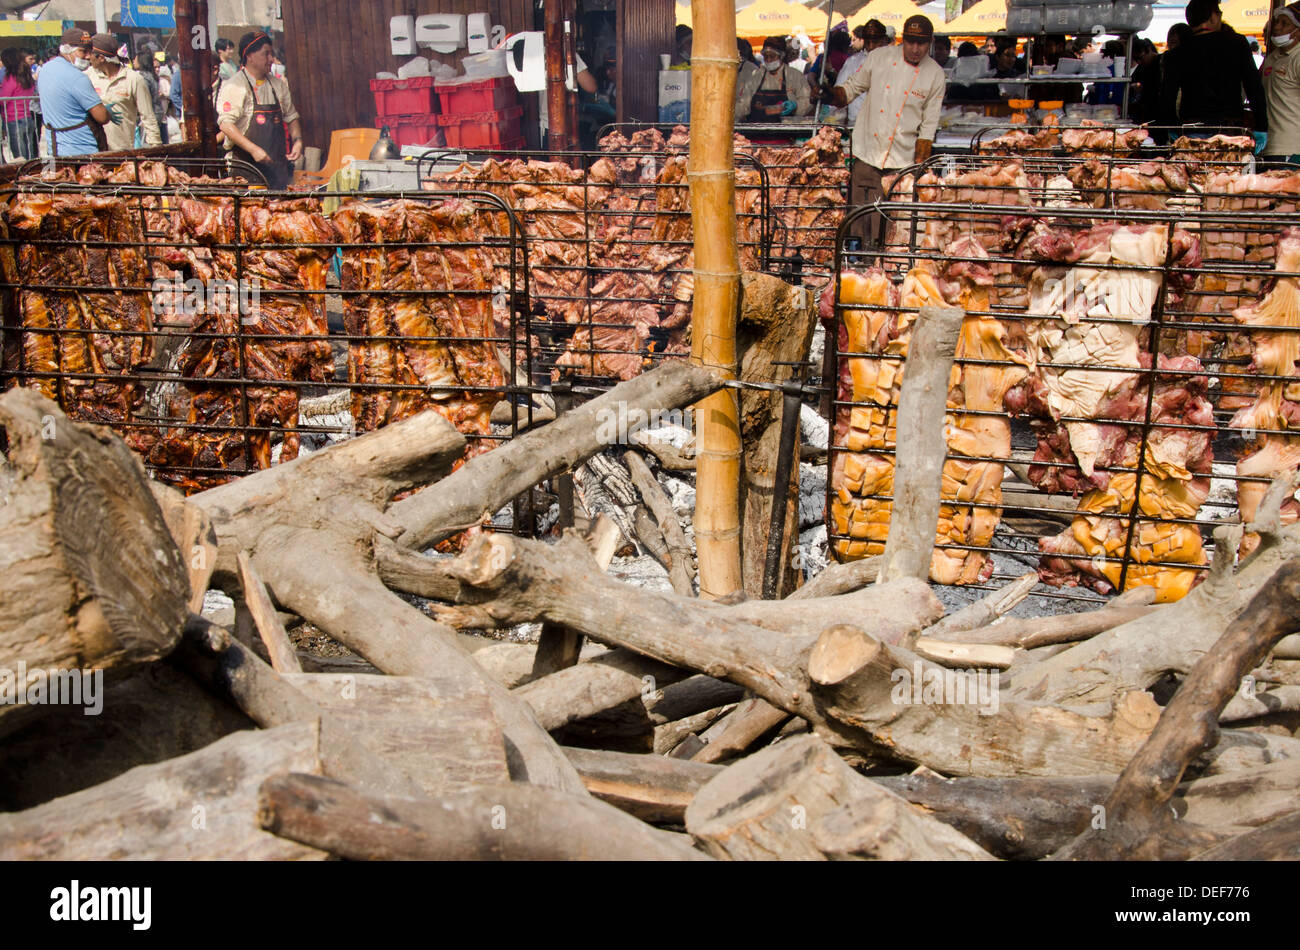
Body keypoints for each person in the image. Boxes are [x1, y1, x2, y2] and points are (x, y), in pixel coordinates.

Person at [830, 15, 946, 246]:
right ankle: (857, 267)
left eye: (921, 44)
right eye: (910, 42)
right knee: (859, 224)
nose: (915, 49)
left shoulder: (935, 74)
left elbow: (928, 127)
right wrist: (831, 94)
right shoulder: (879, 58)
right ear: (903, 39)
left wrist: (919, 170)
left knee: (892, 232)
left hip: (902, 162)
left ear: (930, 42)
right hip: (867, 153)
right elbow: (851, 89)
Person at [1160, 0, 1267, 137]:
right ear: (1213, 17)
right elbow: (1254, 88)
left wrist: (1173, 127)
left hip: (1192, 128)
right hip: (1230, 129)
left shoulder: (1176, 53)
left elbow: (1167, 97)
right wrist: (1261, 126)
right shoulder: (1237, 43)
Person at [217, 30, 302, 189]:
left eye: (271, 54)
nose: (271, 59)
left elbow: (291, 117)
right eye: (266, 54)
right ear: (249, 56)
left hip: (277, 171)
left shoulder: (278, 85)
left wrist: (298, 141)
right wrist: (254, 149)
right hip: (246, 172)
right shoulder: (235, 86)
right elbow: (226, 125)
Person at [36, 28, 109, 156]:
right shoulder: (77, 77)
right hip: (84, 151)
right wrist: (108, 112)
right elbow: (102, 117)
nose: (87, 56)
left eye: (89, 51)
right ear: (66, 49)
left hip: (55, 149)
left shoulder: (45, 69)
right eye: (82, 51)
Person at [87, 34, 160, 152]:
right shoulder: (88, 77)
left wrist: (156, 150)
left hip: (123, 152)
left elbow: (148, 117)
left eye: (90, 53)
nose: (87, 57)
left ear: (101, 58)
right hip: (95, 152)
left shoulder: (133, 79)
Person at [736, 35, 812, 122]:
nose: (768, 60)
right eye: (765, 56)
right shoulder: (756, 75)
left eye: (772, 56)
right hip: (757, 129)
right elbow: (744, 104)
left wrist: (796, 106)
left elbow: (808, 101)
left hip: (786, 130)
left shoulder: (795, 76)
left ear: (781, 56)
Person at [1260, 2, 1300, 163]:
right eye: (1277, 22)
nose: (1277, 27)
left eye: (1285, 23)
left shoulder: (1298, 57)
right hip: (1269, 146)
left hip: (1292, 149)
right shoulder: (1272, 58)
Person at [1, 47, 37, 160]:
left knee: (20, 157)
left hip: (14, 119)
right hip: (27, 117)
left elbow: (3, 97)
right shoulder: (26, 76)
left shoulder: (11, 77)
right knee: (29, 153)